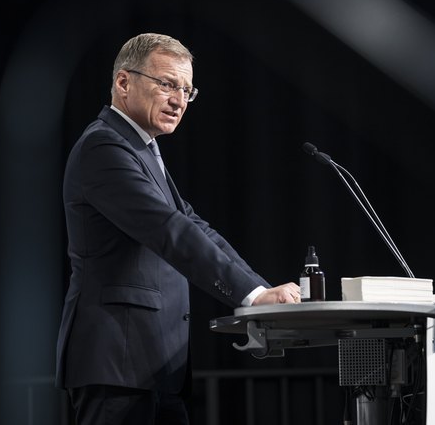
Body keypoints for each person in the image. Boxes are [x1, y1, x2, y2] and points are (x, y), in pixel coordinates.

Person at [55, 33, 301, 424]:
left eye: (187, 90)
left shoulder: (141, 149)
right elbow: (169, 230)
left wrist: (260, 291)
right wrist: (253, 296)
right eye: (168, 84)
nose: (179, 101)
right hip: (118, 363)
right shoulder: (103, 148)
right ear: (123, 82)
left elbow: (194, 226)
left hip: (153, 365)